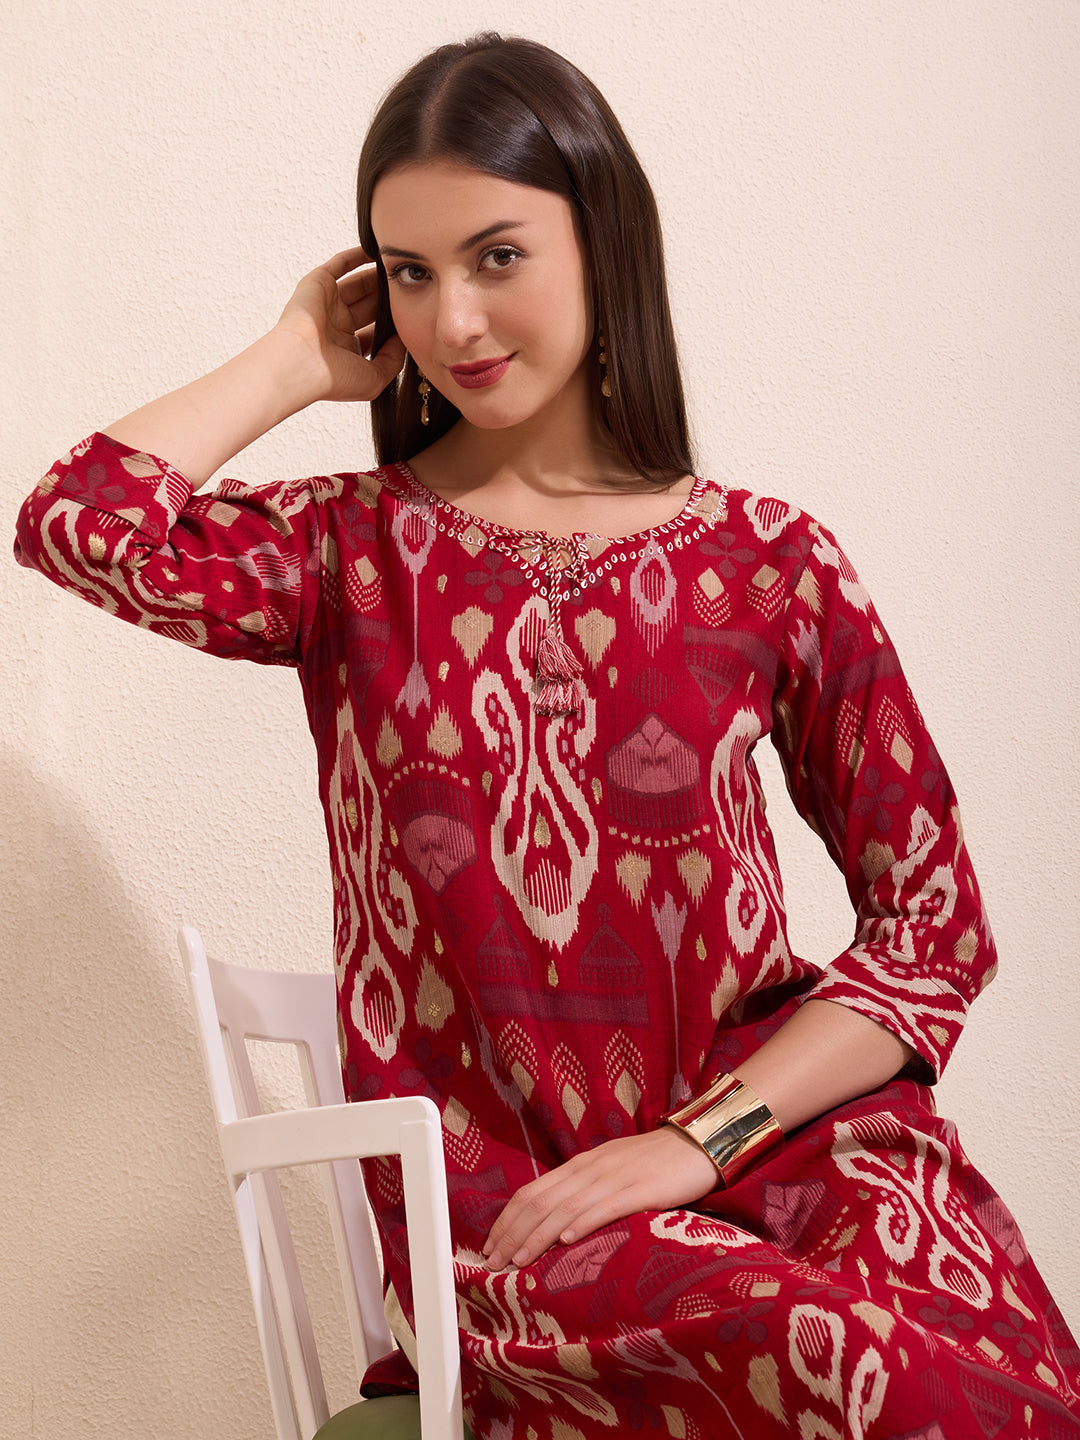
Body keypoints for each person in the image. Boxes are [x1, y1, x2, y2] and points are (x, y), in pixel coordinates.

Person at [15, 31, 1080, 1440]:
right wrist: (290, 359)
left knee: (1014, 1382)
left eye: (497, 256)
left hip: (779, 1164)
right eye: (408, 272)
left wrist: (697, 1144)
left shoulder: (771, 565)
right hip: (516, 1232)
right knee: (825, 1352)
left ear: (603, 240)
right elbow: (77, 521)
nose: (452, 320)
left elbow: (935, 931)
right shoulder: (347, 556)